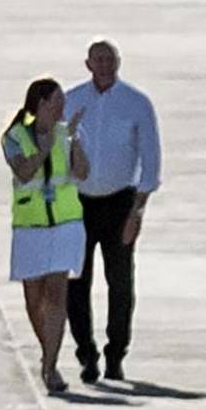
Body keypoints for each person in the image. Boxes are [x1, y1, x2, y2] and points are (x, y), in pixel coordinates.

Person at [63, 39, 162, 383]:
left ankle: (116, 353)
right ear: (88, 64)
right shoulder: (72, 100)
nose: (104, 65)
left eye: (110, 59)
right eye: (98, 60)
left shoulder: (136, 103)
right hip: (79, 202)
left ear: (119, 62)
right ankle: (86, 353)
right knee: (77, 282)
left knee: (120, 282)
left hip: (120, 201)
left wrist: (138, 211)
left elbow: (150, 159)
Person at [2, 78, 89, 393]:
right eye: (56, 103)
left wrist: (74, 139)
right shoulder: (14, 136)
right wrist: (45, 148)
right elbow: (23, 171)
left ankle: (50, 366)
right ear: (40, 104)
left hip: (65, 224)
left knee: (56, 294)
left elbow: (82, 172)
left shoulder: (67, 133)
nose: (61, 109)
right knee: (33, 299)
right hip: (30, 227)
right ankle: (46, 350)